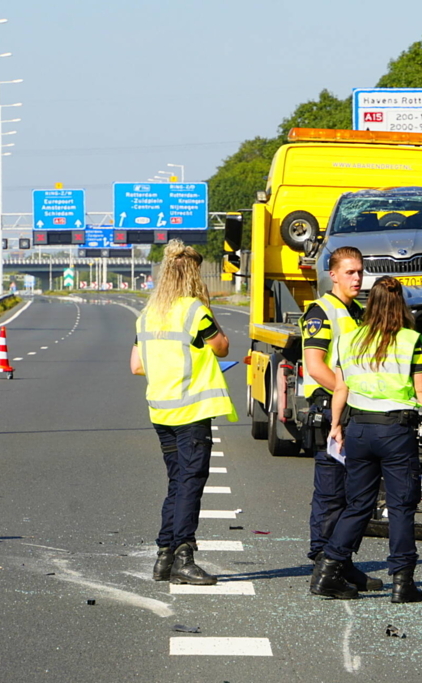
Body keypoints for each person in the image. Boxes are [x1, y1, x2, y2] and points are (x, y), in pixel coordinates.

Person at [311, 276, 422, 602]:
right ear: (400, 303)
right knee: (401, 507)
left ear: (370, 304)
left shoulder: (349, 340)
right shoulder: (409, 340)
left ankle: (328, 570)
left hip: (359, 429)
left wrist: (336, 425)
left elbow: (341, 387)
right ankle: (403, 582)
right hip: (396, 431)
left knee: (358, 504)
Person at [130, 240, 237, 586]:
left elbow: (135, 366)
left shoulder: (147, 315)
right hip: (191, 412)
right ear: (193, 277)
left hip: (161, 413)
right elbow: (221, 347)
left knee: (177, 482)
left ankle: (164, 556)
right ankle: (183, 556)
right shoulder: (194, 310)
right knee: (191, 483)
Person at [299, 246, 382, 593]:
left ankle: (342, 560)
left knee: (355, 492)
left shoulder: (358, 312)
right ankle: (324, 561)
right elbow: (315, 365)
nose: (357, 278)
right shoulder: (322, 311)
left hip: (350, 407)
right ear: (332, 275)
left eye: (360, 272)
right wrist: (349, 396)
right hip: (330, 403)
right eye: (350, 272)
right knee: (332, 492)